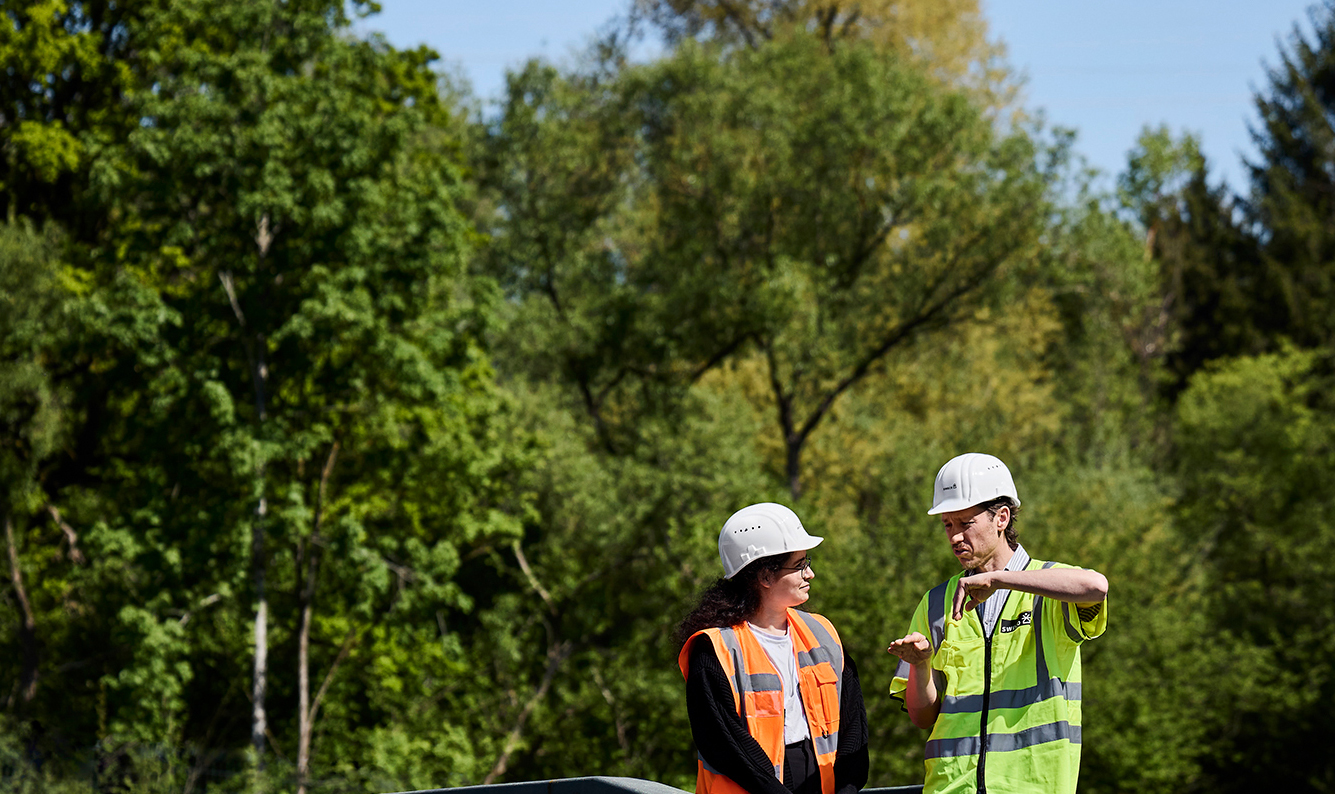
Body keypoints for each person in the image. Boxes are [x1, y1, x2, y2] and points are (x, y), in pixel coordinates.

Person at [886, 453, 1109, 794]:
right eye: (948, 524)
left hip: (1032, 785)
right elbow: (922, 718)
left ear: (1001, 518)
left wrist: (1002, 581)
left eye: (965, 523)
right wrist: (920, 667)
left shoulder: (1048, 585)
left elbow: (1096, 587)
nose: (954, 537)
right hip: (950, 787)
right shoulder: (935, 603)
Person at [677, 503, 869, 794]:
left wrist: (847, 789)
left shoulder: (822, 634)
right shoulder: (714, 650)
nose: (811, 573)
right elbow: (724, 744)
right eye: (800, 564)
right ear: (765, 576)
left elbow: (853, 726)